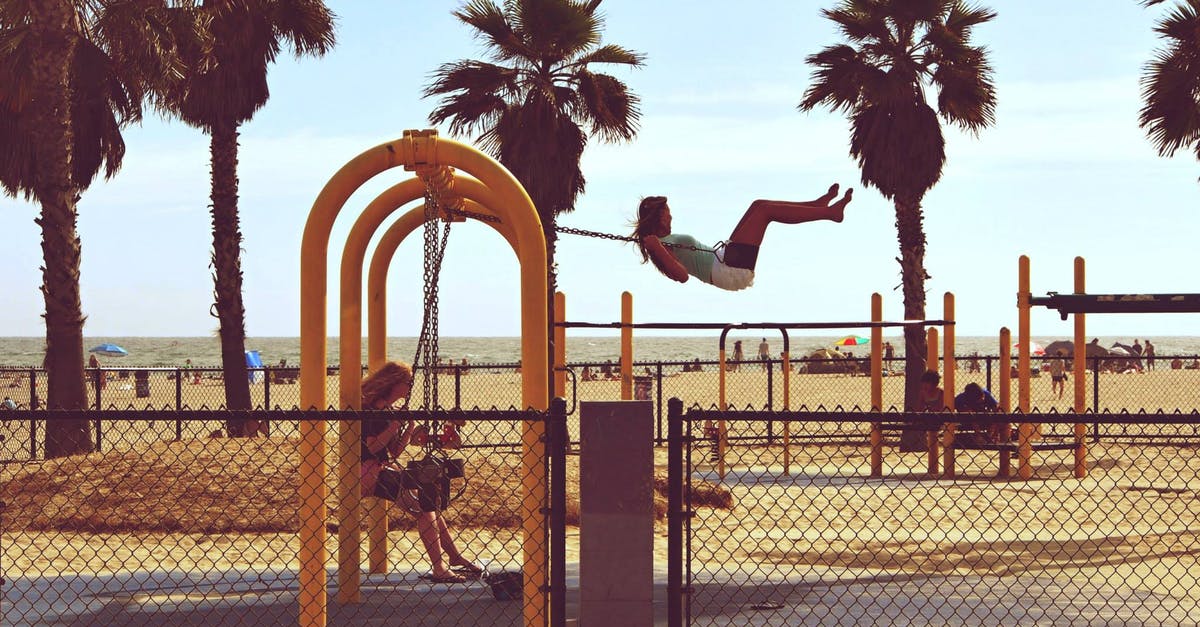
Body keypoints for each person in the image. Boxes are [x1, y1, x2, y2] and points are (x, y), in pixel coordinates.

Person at [359, 361, 480, 584]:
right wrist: (394, 426)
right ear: (393, 383)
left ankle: (453, 557)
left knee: (429, 504)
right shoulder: (372, 410)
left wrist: (409, 428)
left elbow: (393, 451)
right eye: (408, 382)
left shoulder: (387, 411)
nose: (410, 387)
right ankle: (440, 567)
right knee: (426, 510)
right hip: (367, 472)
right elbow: (372, 447)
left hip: (383, 468)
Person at [631, 186, 853, 290]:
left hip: (726, 258)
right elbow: (682, 276)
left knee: (758, 205)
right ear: (660, 218)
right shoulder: (660, 246)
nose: (671, 215)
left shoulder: (664, 240)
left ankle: (816, 206)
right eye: (668, 211)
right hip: (729, 270)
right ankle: (828, 213)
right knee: (765, 211)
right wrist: (657, 248)